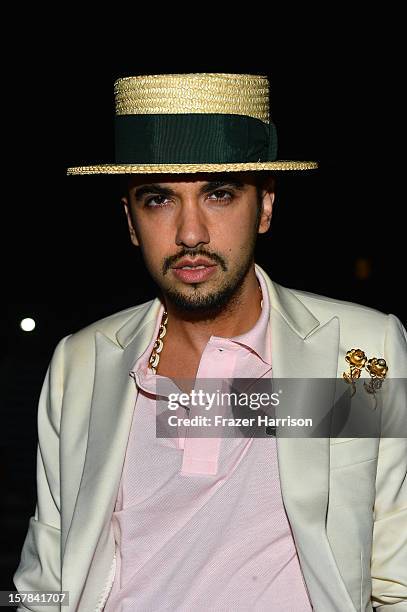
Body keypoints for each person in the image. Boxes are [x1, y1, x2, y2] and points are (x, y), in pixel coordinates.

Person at [13, 73, 406, 611]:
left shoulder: (362, 353)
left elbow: (397, 579)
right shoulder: (79, 364)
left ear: (265, 206)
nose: (190, 232)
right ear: (130, 219)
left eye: (219, 194)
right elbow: (42, 585)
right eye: (158, 200)